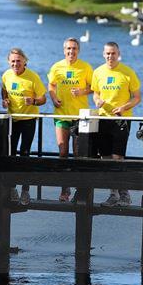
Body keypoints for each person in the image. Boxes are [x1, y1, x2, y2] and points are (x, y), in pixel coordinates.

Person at [91, 42, 141, 206]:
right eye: (107, 53)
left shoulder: (127, 72)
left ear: (118, 54)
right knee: (105, 157)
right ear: (103, 54)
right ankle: (113, 194)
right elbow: (96, 93)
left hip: (121, 119)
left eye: (113, 53)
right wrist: (98, 100)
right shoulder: (98, 72)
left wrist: (124, 107)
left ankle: (124, 194)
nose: (110, 56)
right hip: (103, 118)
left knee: (117, 157)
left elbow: (137, 97)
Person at [48, 37, 93, 202]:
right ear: (64, 50)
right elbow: (51, 85)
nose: (71, 52)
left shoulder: (85, 67)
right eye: (68, 49)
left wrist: (82, 92)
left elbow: (93, 87)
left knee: (77, 154)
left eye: (74, 49)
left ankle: (78, 189)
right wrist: (53, 98)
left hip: (80, 117)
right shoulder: (56, 67)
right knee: (62, 152)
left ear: (78, 51)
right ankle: (64, 188)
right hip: (61, 114)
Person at [2, 48, 47, 205]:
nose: (16, 64)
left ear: (24, 62)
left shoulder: (33, 77)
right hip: (13, 120)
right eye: (13, 61)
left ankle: (25, 190)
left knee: (25, 153)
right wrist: (5, 100)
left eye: (18, 61)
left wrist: (34, 101)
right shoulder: (6, 75)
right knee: (11, 154)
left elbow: (43, 99)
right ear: (9, 62)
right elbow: (3, 90)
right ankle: (12, 187)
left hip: (28, 120)